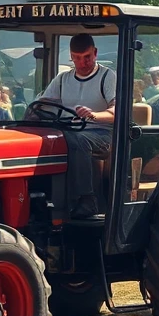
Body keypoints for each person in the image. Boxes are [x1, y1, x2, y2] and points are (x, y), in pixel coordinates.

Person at [38, 34, 117, 220]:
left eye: (87, 57)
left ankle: (87, 199)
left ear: (95, 53)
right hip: (67, 131)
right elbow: (43, 103)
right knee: (51, 140)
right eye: (77, 57)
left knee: (77, 139)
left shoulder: (107, 76)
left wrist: (94, 115)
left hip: (101, 133)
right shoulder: (62, 78)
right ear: (71, 57)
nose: (82, 63)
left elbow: (117, 111)